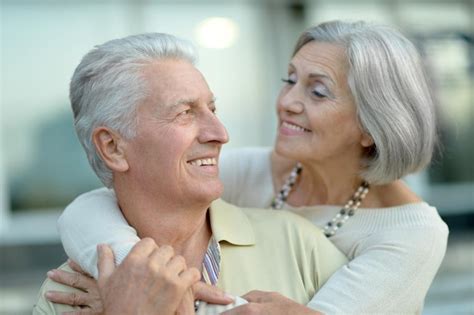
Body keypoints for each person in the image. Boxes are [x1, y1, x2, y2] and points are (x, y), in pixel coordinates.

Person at [45, 20, 449, 314]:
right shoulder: (251, 171)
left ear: (371, 126)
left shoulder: (412, 235)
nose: (287, 101)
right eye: (288, 79)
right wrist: (128, 273)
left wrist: (142, 305)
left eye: (318, 91)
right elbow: (97, 202)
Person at [33, 32, 348, 315]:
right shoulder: (65, 296)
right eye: (185, 113)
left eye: (213, 109)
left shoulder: (299, 245)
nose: (220, 133)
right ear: (113, 147)